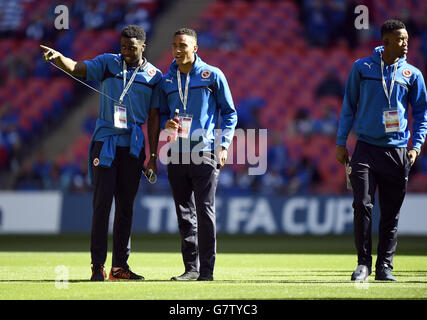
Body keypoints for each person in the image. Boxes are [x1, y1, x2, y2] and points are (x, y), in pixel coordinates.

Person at [40, 25, 162, 281]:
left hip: (133, 146)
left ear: (143, 47)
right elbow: (76, 68)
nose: (127, 51)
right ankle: (98, 266)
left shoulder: (154, 76)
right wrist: (58, 58)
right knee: (102, 205)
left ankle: (120, 268)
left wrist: (152, 156)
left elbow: (153, 118)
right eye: (124, 46)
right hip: (105, 141)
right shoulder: (108, 62)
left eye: (132, 47)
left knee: (126, 207)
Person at [336, 19, 427, 281]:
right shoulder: (361, 68)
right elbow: (348, 107)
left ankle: (384, 266)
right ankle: (363, 264)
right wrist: (341, 142)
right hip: (365, 148)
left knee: (390, 212)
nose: (406, 44)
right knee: (362, 205)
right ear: (385, 42)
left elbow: (422, 113)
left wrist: (416, 146)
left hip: (398, 151)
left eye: (407, 39)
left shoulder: (413, 75)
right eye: (400, 39)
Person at [157, 28, 237, 281]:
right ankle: (191, 269)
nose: (178, 50)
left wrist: (223, 145)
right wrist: (165, 126)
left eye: (183, 45)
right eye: (174, 45)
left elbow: (230, 113)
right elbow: (159, 115)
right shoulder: (166, 81)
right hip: (176, 155)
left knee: (204, 211)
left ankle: (207, 271)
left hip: (205, 153)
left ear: (195, 48)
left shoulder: (212, 75)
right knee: (184, 214)